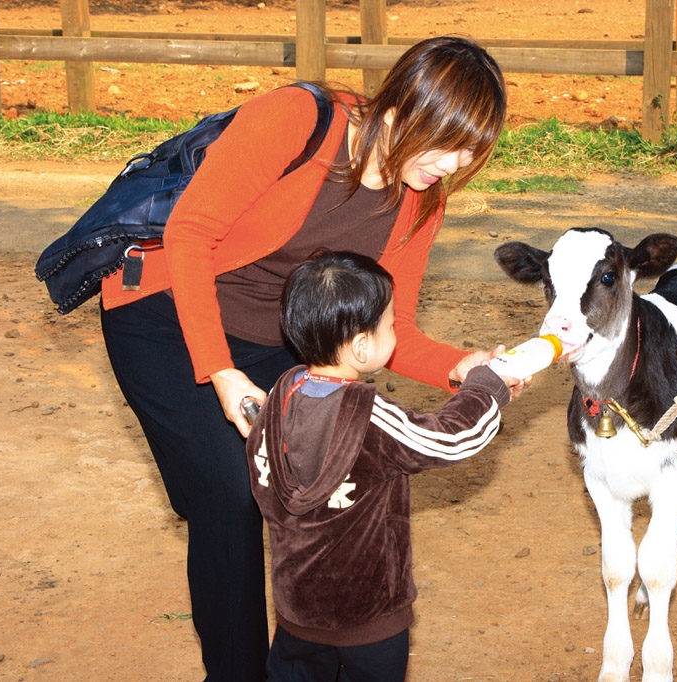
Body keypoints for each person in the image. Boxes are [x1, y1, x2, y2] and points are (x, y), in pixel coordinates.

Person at [99, 36, 510, 681]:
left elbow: (391, 328)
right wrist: (221, 371)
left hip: (279, 341)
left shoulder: (421, 199)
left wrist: (465, 366)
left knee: (312, 485)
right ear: (405, 106)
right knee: (230, 495)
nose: (454, 164)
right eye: (447, 141)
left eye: (470, 152)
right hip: (166, 315)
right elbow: (190, 233)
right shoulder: (298, 120)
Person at [246, 250, 511, 682]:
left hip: (298, 612)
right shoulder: (366, 415)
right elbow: (451, 439)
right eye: (391, 325)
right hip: (368, 617)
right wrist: (487, 387)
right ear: (362, 345)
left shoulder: (278, 398)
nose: (396, 332)